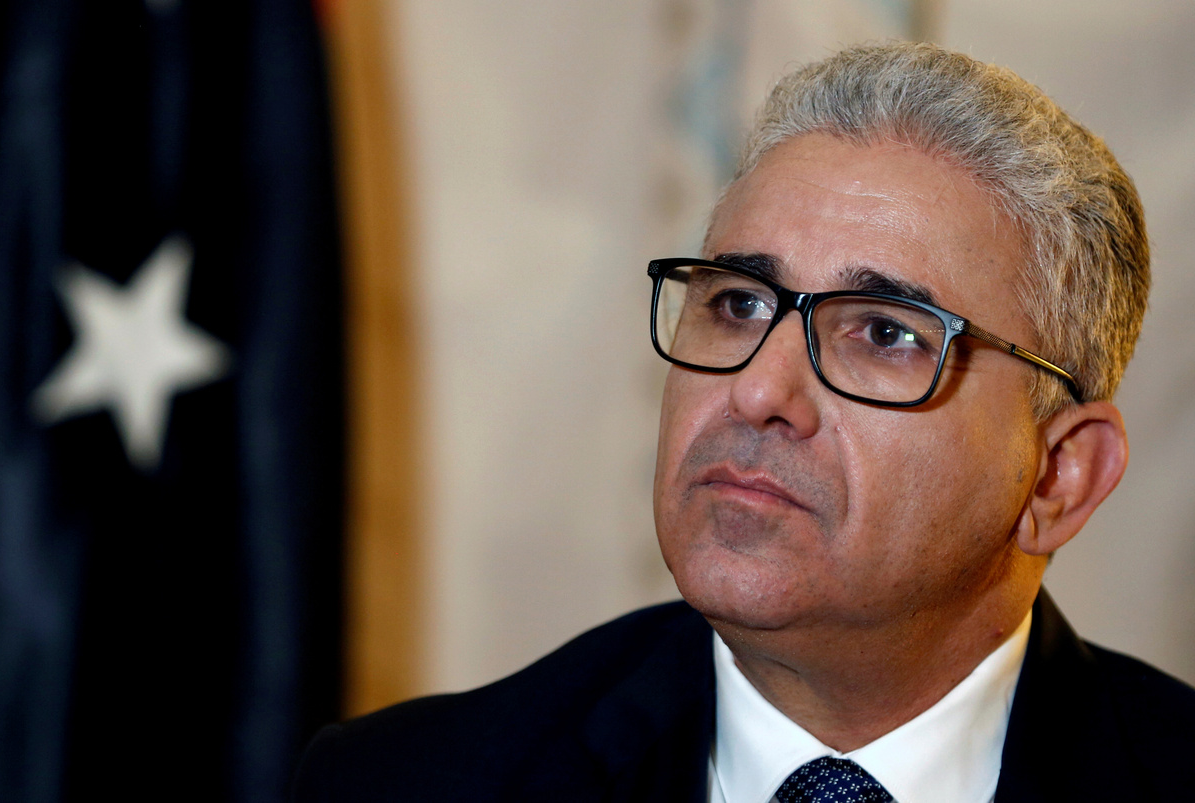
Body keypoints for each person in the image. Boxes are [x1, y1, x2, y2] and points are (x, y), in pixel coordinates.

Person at [293, 42, 1195, 802]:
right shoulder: (402, 782)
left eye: (885, 333)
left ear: (1059, 475)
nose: (759, 391)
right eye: (736, 303)